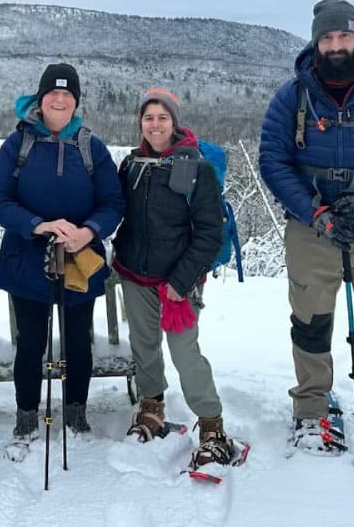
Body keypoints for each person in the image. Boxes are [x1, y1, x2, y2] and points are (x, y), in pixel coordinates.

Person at [260, 0, 354, 452]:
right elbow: (273, 161)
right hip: (312, 224)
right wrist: (312, 211)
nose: (336, 46)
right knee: (310, 321)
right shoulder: (292, 95)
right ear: (316, 42)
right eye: (327, 38)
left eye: (344, 36)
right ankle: (312, 408)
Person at [0, 63, 124, 453]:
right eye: (52, 93)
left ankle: (76, 412)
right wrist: (38, 225)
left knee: (78, 341)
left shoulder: (91, 146)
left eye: (67, 94)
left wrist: (90, 231)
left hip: (80, 259)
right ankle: (27, 415)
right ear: (40, 98)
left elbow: (113, 202)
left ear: (76, 102)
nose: (59, 99)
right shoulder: (19, 144)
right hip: (27, 259)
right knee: (30, 342)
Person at [111, 87, 232, 468]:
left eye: (162, 117)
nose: (155, 124)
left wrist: (181, 281)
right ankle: (151, 406)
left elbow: (210, 232)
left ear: (174, 122)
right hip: (135, 274)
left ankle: (211, 422)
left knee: (185, 353)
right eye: (148, 118)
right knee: (144, 346)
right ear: (140, 124)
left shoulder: (197, 168)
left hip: (178, 282)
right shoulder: (132, 165)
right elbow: (119, 212)